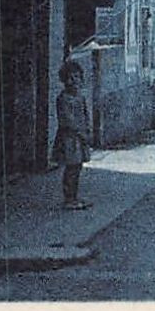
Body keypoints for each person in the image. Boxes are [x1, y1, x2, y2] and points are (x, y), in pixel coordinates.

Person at [53, 60, 92, 210]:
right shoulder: (63, 99)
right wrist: (81, 132)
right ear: (64, 80)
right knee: (71, 167)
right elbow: (67, 120)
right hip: (69, 138)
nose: (74, 81)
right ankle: (69, 198)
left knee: (78, 167)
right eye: (70, 77)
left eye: (77, 77)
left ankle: (74, 197)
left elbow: (85, 115)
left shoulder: (80, 97)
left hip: (80, 137)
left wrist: (87, 131)